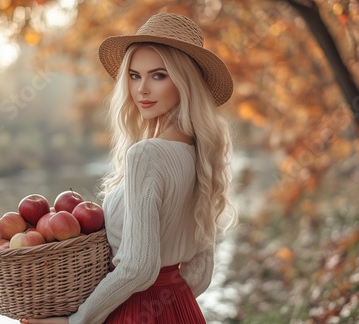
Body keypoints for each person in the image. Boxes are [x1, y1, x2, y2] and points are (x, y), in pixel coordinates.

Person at [22, 11, 236, 324]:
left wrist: (76, 320)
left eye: (158, 75)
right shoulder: (202, 156)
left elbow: (138, 268)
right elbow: (201, 274)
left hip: (134, 312)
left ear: (185, 82)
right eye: (134, 75)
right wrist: (173, 306)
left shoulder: (147, 155)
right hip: (182, 308)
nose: (141, 89)